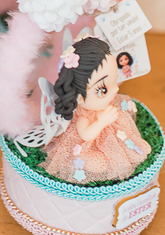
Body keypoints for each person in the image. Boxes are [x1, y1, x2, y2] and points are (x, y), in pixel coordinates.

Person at [41, 37, 151, 183]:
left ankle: (131, 149)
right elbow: (86, 135)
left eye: (114, 80)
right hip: (89, 143)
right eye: (103, 90)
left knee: (125, 142)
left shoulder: (104, 103)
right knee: (99, 163)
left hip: (110, 134)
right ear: (79, 98)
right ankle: (96, 159)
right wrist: (101, 122)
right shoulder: (82, 116)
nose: (116, 90)